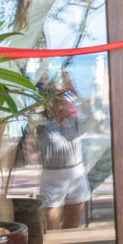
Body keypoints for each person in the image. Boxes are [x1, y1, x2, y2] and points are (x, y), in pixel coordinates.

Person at [36, 77, 90, 231]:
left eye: (63, 97)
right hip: (53, 177)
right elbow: (31, 115)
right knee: (51, 230)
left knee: (72, 229)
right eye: (57, 97)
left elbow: (95, 115)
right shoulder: (41, 125)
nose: (62, 100)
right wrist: (46, 101)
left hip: (76, 175)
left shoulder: (73, 122)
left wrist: (76, 93)